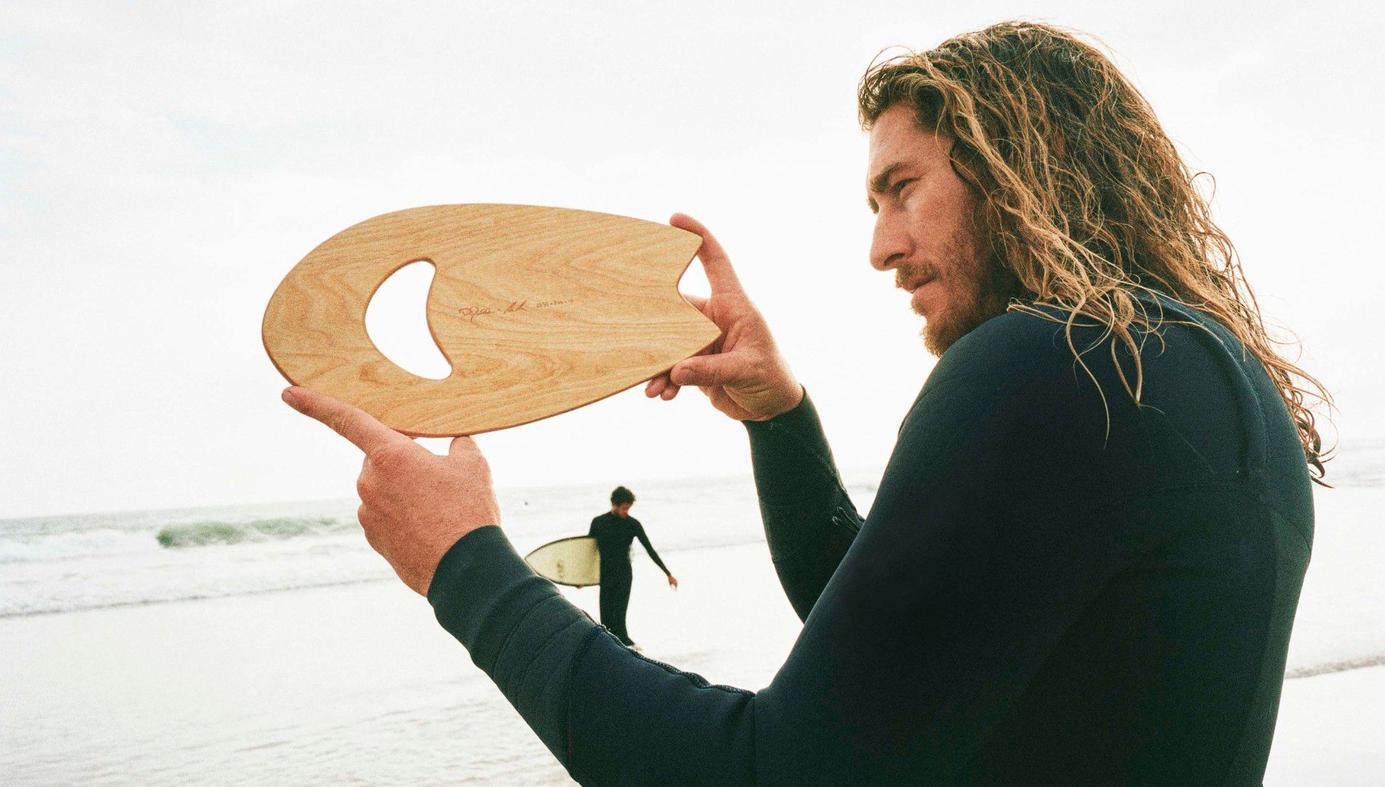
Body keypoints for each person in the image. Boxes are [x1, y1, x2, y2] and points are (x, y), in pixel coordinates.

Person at [281, 21, 1331, 784]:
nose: (878, 246)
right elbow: (899, 655)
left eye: (902, 188)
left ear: (1020, 167)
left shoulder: (1047, 364)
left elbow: (774, 771)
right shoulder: (1186, 375)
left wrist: (463, 565)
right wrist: (779, 419)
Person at [588, 486, 678, 649]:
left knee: (620, 616)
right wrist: (580, 577)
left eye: (628, 508)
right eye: (624, 508)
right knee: (606, 616)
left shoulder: (632, 524)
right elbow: (588, 552)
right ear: (614, 504)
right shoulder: (599, 522)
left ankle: (624, 647)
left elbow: (650, 550)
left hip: (624, 574)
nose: (626, 511)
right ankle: (609, 648)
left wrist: (668, 574)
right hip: (606, 575)